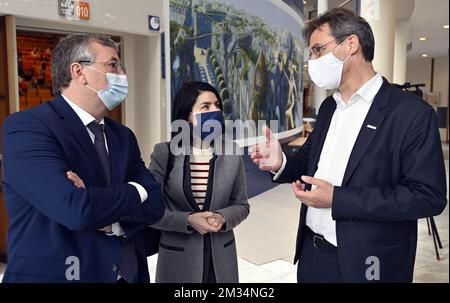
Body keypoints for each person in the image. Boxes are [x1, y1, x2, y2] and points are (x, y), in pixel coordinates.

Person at [250, 8, 447, 283]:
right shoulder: (330, 107)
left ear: (350, 44)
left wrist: (338, 199)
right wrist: (280, 162)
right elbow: (309, 162)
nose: (312, 61)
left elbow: (427, 197)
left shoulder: (411, 114)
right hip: (312, 256)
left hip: (369, 263)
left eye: (318, 50)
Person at [1, 33, 165, 283]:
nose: (122, 73)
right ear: (79, 71)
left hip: (128, 275)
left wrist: (109, 219)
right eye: (113, 65)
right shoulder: (27, 128)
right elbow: (75, 209)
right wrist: (137, 191)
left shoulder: (122, 135)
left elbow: (155, 203)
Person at [149, 81, 249, 283]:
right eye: (206, 106)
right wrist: (187, 220)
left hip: (221, 261)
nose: (215, 110)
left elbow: (242, 205)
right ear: (188, 115)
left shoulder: (232, 152)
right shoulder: (164, 153)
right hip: (178, 261)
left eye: (217, 105)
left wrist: (222, 217)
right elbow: (150, 210)